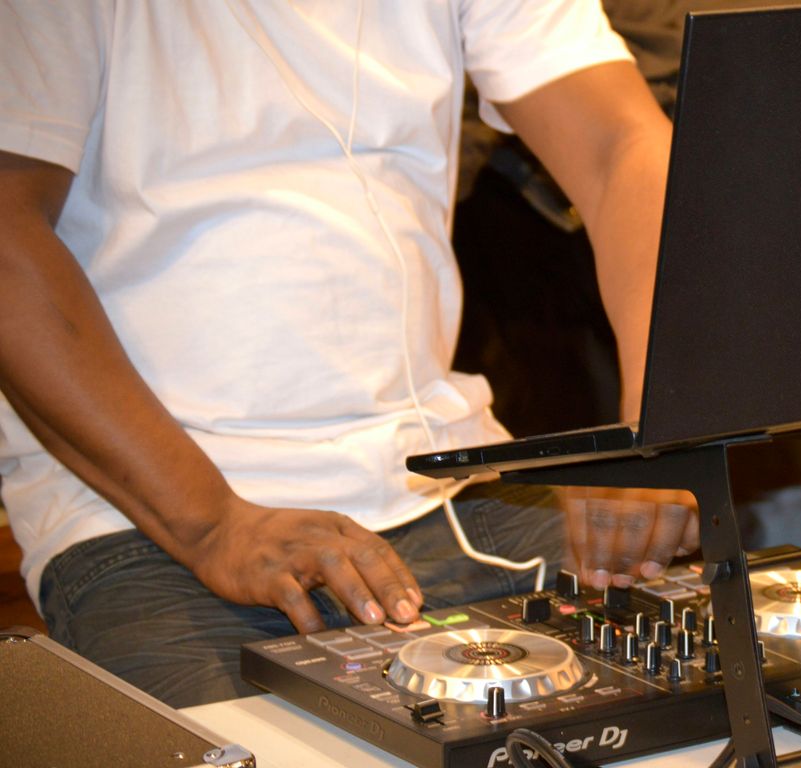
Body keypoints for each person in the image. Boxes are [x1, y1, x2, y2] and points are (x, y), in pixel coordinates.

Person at [0, 0, 693, 707]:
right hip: (159, 515)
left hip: (450, 485)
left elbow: (622, 146)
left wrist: (663, 430)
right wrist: (211, 524)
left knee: (718, 706)